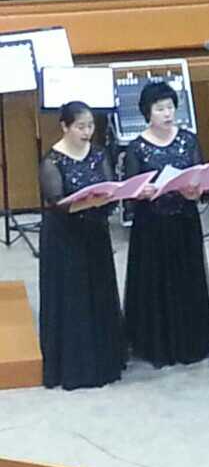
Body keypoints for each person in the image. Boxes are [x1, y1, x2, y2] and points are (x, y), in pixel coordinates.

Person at [123, 82, 209, 367]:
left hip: (184, 220)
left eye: (170, 107)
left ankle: (191, 338)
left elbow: (199, 179)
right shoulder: (136, 148)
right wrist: (143, 193)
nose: (167, 113)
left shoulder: (188, 140)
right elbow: (130, 192)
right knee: (155, 281)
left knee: (187, 278)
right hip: (151, 225)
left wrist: (194, 191)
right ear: (147, 113)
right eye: (160, 109)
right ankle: (156, 342)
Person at [38, 101, 125, 390]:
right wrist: (88, 202)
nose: (87, 132)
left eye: (90, 126)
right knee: (73, 296)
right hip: (65, 237)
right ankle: (76, 365)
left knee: (98, 290)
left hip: (95, 233)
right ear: (65, 126)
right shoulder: (52, 161)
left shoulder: (98, 153)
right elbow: (57, 203)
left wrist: (107, 199)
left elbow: (110, 189)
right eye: (80, 127)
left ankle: (105, 357)